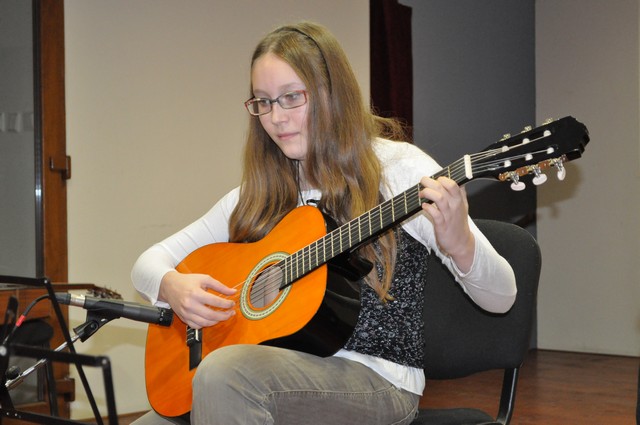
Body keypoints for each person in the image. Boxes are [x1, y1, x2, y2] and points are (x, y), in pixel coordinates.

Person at [130, 21, 517, 425]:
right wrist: (171, 286)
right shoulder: (258, 193)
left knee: (225, 375)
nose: (276, 117)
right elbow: (149, 263)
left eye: (291, 97)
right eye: (263, 101)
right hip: (268, 372)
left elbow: (503, 297)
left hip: (379, 382)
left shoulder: (398, 170)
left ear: (332, 94)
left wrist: (460, 244)